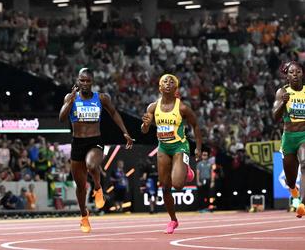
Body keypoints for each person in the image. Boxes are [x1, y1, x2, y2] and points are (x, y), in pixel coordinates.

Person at [59, 68, 134, 233]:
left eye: (88, 81)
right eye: (82, 80)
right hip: (77, 142)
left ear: (92, 82)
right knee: (80, 186)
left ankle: (98, 187)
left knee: (92, 166)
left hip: (95, 141)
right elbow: (62, 118)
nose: (85, 84)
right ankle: (84, 216)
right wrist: (69, 102)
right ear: (78, 81)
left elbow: (114, 113)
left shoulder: (101, 98)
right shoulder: (71, 97)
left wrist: (125, 132)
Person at [141, 74, 202, 234]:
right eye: (164, 82)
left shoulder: (182, 108)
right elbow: (144, 130)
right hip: (163, 148)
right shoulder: (152, 107)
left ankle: (187, 169)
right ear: (159, 88)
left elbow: (196, 126)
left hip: (179, 147)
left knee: (178, 185)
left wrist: (198, 148)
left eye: (171, 82)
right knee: (165, 187)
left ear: (175, 88)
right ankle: (173, 220)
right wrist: (146, 125)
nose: (168, 84)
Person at [272, 61, 305, 217]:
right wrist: (283, 103)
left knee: (304, 163)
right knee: (290, 179)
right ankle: (294, 192)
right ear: (287, 76)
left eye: (298, 71)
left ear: (302, 74)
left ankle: (303, 204)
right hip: (288, 138)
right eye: (292, 72)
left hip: (303, 136)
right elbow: (274, 117)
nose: (295, 75)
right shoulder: (282, 92)